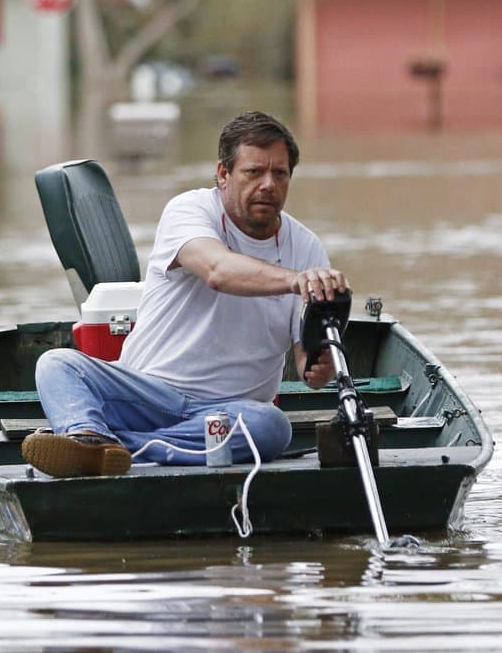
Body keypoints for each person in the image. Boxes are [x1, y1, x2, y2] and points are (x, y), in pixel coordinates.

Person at [22, 111, 347, 478]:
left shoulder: (306, 247)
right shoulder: (189, 210)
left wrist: (320, 368)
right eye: (254, 172)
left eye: (280, 174)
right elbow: (217, 271)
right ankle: (93, 438)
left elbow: (308, 364)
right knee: (57, 365)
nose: (269, 184)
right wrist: (294, 281)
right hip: (146, 395)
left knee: (273, 427)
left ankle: (113, 448)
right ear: (223, 175)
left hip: (228, 412)